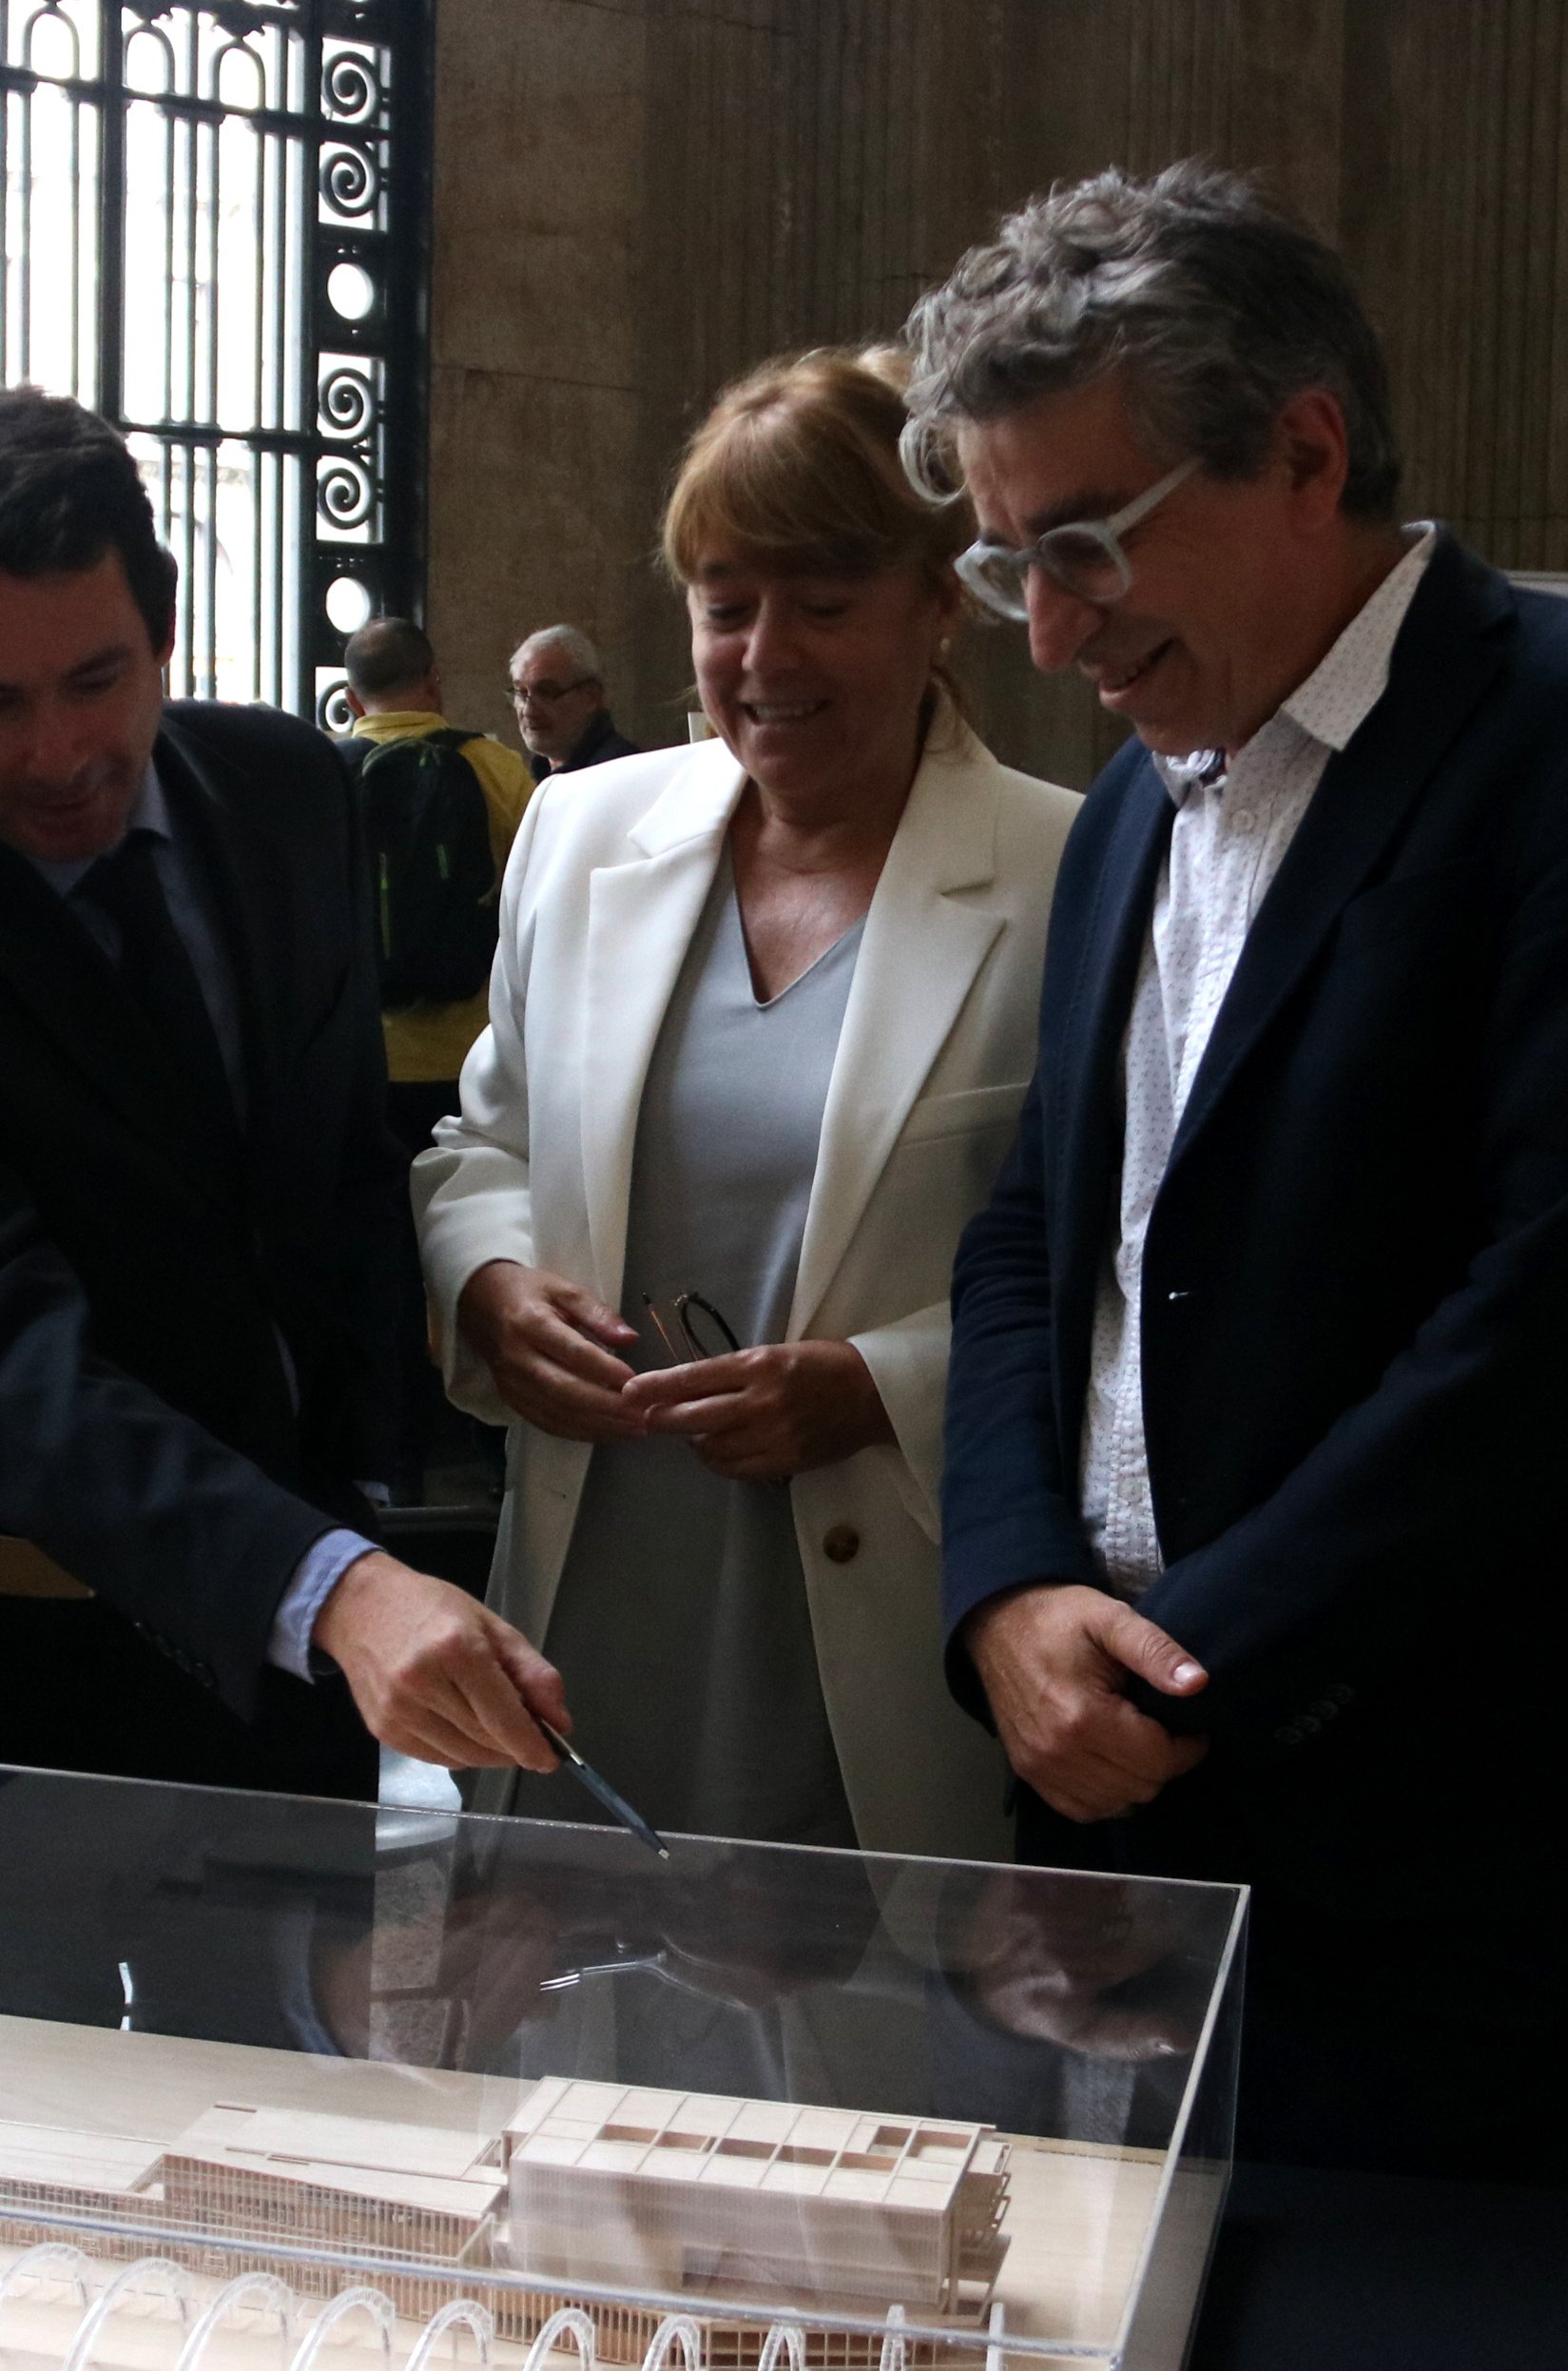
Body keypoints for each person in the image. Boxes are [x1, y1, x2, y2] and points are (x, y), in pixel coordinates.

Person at [914, 162, 1568, 2181]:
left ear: (1304, 452)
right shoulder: (1143, 790)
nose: (1047, 636)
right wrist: (1011, 1588)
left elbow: (1563, 1310)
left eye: (1085, 548)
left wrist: (1193, 1658)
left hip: (1416, 1796)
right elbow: (1046, 1225)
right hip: (1110, 1760)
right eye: (1002, 566)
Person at [0, 389, 564, 1797]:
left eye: (97, 679)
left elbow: (332, 1146)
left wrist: (396, 1406)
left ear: (165, 632)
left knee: (298, 2022)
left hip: (297, 1669)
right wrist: (333, 1583)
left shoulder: (291, 784)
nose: (58, 754)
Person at [417, 350, 1078, 1857]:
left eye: (826, 604)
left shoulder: (1070, 873)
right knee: (563, 2050)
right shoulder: (581, 833)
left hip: (880, 1613)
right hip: (596, 1580)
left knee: (870, 2063)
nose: (765, 656)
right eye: (725, 605)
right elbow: (486, 1145)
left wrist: (878, 1382)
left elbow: (1110, 1279)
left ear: (942, 597)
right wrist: (494, 1284)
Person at [340, 614, 534, 1143]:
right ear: (432, 681)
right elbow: (536, 899)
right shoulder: (496, 766)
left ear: (353, 701)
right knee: (467, 1208)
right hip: (473, 1052)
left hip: (360, 1050)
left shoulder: (320, 775)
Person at [509, 623, 642, 777]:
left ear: (591, 697)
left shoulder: (620, 772)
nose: (528, 710)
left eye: (547, 692)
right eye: (521, 692)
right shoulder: (537, 772)